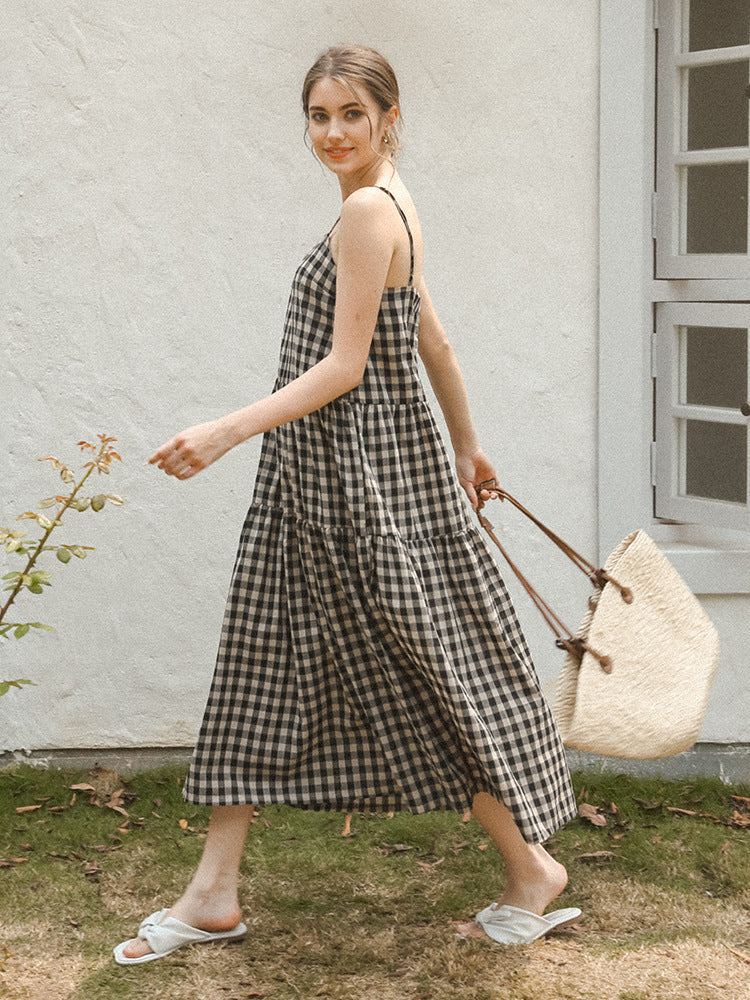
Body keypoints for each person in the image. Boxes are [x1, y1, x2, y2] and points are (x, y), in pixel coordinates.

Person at [114, 45, 580, 964]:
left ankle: (532, 868)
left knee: (417, 672)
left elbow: (347, 366)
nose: (331, 133)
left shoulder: (370, 209)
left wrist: (223, 430)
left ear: (388, 118)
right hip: (331, 479)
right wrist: (466, 440)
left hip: (351, 486)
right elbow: (433, 334)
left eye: (350, 116)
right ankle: (213, 891)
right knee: (267, 659)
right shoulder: (389, 198)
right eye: (318, 115)